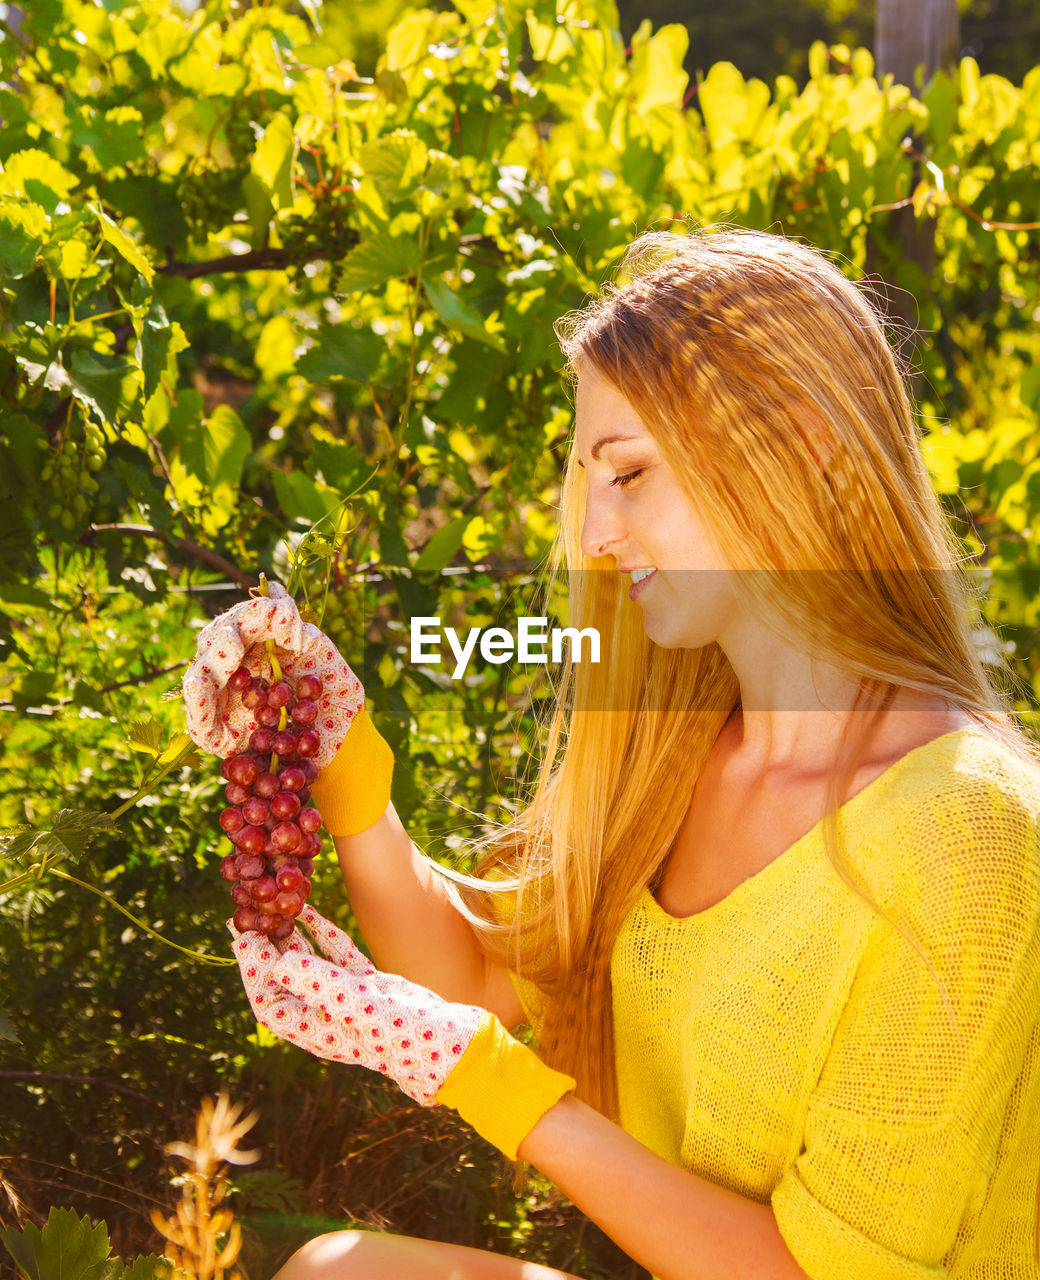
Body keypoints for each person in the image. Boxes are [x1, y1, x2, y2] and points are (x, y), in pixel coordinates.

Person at [184, 227, 1040, 1280]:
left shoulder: (963, 830)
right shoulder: (679, 758)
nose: (593, 531)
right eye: (588, 477)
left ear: (804, 442)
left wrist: (489, 1081)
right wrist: (342, 761)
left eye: (627, 472)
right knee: (336, 1270)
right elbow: (480, 982)